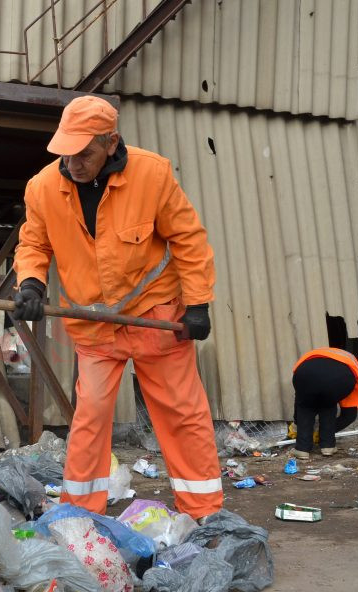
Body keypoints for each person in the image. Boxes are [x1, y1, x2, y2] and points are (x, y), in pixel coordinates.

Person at [12, 95, 222, 521]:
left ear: (111, 143)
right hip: (93, 328)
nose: (73, 163)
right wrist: (31, 283)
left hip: (155, 317)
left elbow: (188, 239)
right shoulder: (42, 188)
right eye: (66, 153)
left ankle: (204, 512)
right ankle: (79, 515)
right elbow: (34, 242)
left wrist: (198, 304)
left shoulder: (152, 174)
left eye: (84, 153)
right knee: (89, 420)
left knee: (182, 414)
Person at [291, 347, 358, 459]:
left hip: (305, 373)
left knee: (305, 407)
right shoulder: (351, 363)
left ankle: (302, 449)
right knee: (328, 406)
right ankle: (327, 447)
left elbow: (299, 402)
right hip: (340, 378)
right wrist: (323, 432)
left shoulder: (311, 355)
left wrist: (297, 423)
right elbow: (349, 415)